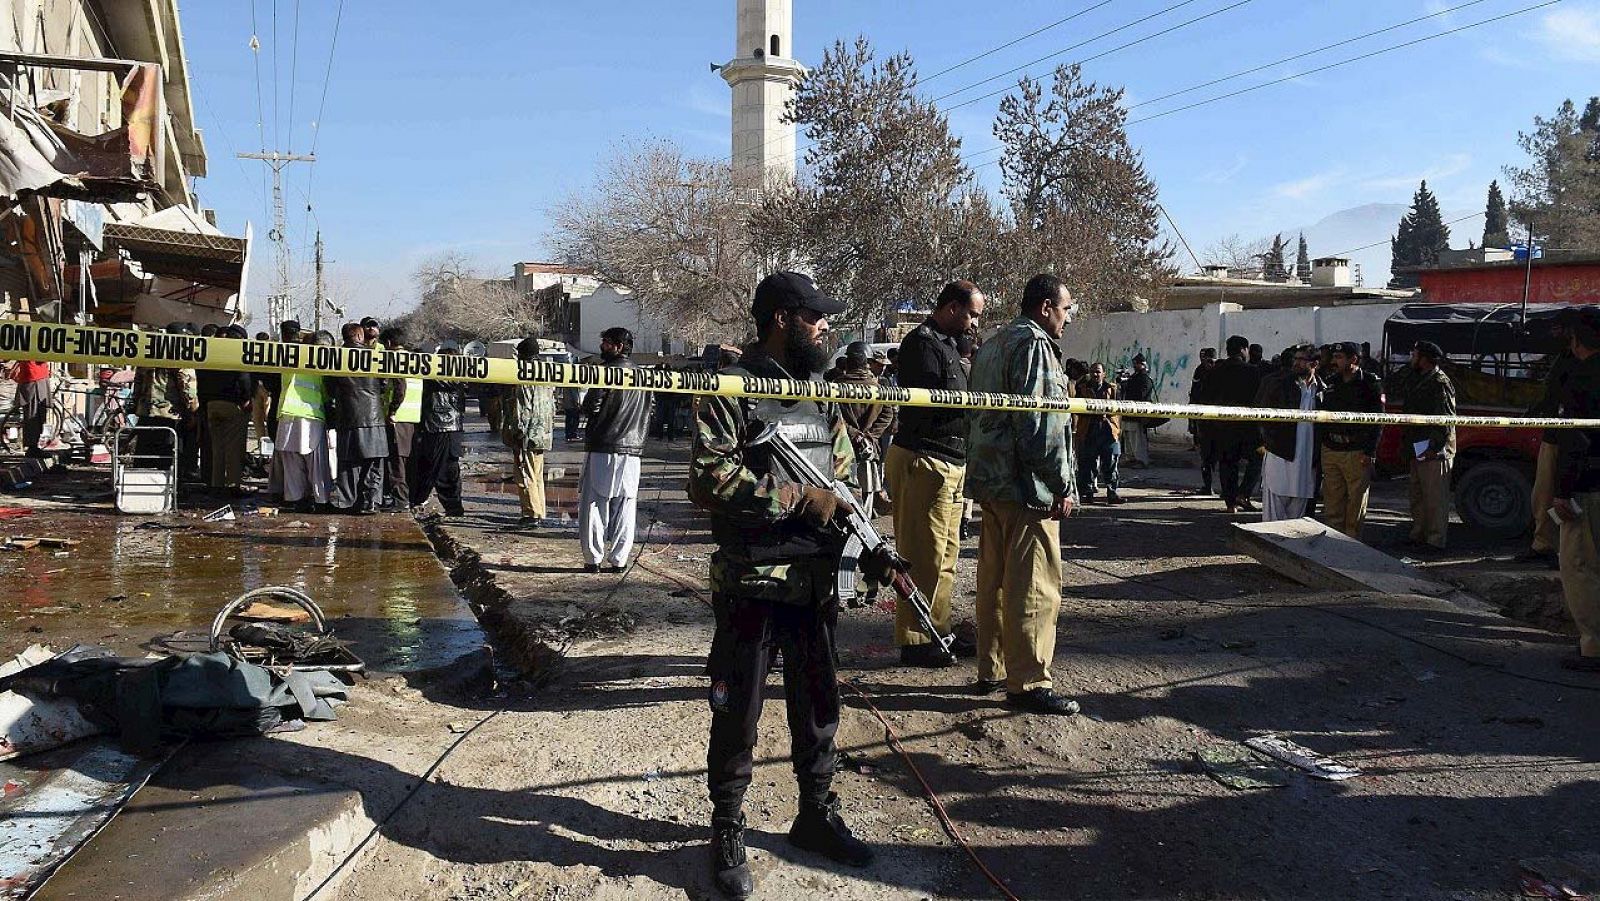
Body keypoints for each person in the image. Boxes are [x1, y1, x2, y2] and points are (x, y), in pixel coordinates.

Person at [687, 270, 871, 899]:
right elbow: (710, 479)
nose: (825, 326)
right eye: (814, 316)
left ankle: (815, 815)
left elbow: (840, 462)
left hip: (814, 580)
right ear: (780, 319)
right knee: (737, 713)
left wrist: (852, 520)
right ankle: (728, 825)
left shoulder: (815, 391)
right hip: (753, 581)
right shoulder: (729, 388)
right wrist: (796, 498)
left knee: (819, 707)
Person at [965, 273, 1080, 716]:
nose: (1067, 319)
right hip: (1026, 486)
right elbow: (1040, 423)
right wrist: (1059, 483)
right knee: (1034, 586)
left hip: (993, 482)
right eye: (1066, 309)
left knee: (993, 582)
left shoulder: (993, 344)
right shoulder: (1033, 345)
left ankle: (991, 669)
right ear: (1046, 306)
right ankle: (1029, 682)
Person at [886, 280, 985, 667]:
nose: (975, 323)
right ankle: (915, 641)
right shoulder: (922, 344)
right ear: (951, 308)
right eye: (972, 314)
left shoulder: (949, 347)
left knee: (945, 556)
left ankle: (937, 630)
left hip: (950, 462)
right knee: (921, 556)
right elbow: (929, 407)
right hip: (924, 460)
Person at [1549, 307, 1600, 672]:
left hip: (1589, 486)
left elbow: (1577, 440)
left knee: (1580, 565)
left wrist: (1563, 491)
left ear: (1576, 339)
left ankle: (1594, 646)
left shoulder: (1583, 376)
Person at [579, 327, 652, 573]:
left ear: (619, 346)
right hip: (633, 450)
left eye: (607, 343)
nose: (602, 347)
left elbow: (591, 406)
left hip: (604, 445)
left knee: (594, 505)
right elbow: (649, 411)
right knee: (626, 506)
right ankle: (620, 560)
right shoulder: (643, 376)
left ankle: (593, 560)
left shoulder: (606, 372)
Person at [1523, 309, 1579, 565]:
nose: (1554, 333)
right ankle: (1544, 543)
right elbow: (1550, 395)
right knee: (1544, 495)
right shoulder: (1563, 357)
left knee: (1568, 498)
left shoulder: (1582, 362)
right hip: (1555, 436)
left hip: (1574, 439)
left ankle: (1558, 548)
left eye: (1558, 328)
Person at [1318, 341, 1384, 538]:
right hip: (1331, 448)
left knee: (1355, 501)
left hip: (1356, 449)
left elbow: (1377, 420)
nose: (1334, 361)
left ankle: (1352, 543)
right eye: (1334, 357)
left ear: (1353, 359)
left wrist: (1370, 451)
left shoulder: (1370, 383)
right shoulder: (1331, 382)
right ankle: (1333, 540)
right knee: (1332, 500)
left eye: (1339, 358)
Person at [1397, 340, 1456, 549]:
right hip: (1417, 443)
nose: (1411, 358)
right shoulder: (1416, 377)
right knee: (1418, 494)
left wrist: (1434, 447)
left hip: (1434, 447)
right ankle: (1418, 534)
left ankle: (1435, 540)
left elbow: (1446, 420)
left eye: (1415, 355)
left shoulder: (1440, 382)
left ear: (1425, 359)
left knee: (1434, 497)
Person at [325, 322, 388, 514]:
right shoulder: (375, 357)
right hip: (373, 418)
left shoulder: (335, 357)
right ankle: (370, 501)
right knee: (374, 463)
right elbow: (385, 383)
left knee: (348, 464)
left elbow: (329, 387)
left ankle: (346, 501)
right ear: (360, 336)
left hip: (348, 418)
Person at [1255, 344, 1322, 522]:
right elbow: (1262, 414)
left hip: (1307, 459)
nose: (1296, 363)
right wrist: (1266, 441)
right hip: (1280, 454)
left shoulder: (1322, 389)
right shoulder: (1279, 384)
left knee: (1297, 515)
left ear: (1314, 363)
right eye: (1296, 359)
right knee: (1273, 514)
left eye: (1302, 360)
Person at [829, 341, 894, 520]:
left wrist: (853, 434)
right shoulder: (878, 388)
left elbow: (833, 416)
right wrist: (870, 436)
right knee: (867, 498)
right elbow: (888, 414)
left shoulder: (836, 386)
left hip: (842, 451)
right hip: (869, 449)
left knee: (843, 496)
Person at [1200, 335, 1263, 513]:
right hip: (1247, 428)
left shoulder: (1215, 371)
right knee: (1257, 459)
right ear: (1243, 350)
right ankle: (1243, 494)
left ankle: (1230, 503)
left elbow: (1205, 398)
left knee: (1227, 464)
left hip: (1221, 428)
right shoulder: (1252, 371)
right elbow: (1258, 399)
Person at [501, 335, 556, 526]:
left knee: (525, 475)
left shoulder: (523, 374)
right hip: (543, 433)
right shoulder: (547, 372)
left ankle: (531, 514)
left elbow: (522, 408)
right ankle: (540, 512)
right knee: (537, 475)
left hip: (528, 433)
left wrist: (517, 433)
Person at [275, 332, 333, 513]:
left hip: (286, 415)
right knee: (316, 463)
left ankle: (295, 499)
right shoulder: (320, 363)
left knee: (291, 462)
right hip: (311, 415)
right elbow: (325, 391)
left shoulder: (288, 358)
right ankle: (321, 500)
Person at [411, 342, 469, 518]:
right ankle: (451, 507)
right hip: (449, 428)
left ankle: (445, 506)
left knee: (439, 470)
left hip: (439, 427)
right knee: (443, 469)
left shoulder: (438, 376)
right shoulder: (459, 376)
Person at [197, 325, 254, 495]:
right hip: (232, 405)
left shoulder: (211, 352)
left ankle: (216, 484)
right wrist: (245, 399)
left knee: (217, 447)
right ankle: (232, 485)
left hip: (211, 405)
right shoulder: (237, 354)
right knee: (233, 449)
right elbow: (244, 379)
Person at [132, 324, 199, 469]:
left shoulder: (147, 354)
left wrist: (135, 404)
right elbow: (187, 388)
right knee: (167, 457)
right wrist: (192, 411)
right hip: (169, 414)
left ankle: (141, 486)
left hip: (146, 412)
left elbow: (137, 383)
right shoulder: (180, 355)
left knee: (144, 456)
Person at [378, 328, 419, 512]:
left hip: (398, 420)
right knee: (403, 461)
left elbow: (400, 388)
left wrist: (392, 412)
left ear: (387, 344)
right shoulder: (413, 359)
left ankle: (400, 501)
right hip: (409, 419)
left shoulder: (395, 360)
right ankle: (402, 499)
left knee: (396, 463)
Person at [1075, 363, 1123, 505]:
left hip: (1108, 430)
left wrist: (1106, 413)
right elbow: (1077, 407)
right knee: (1087, 463)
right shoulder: (1082, 388)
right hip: (1089, 430)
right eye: (1093, 372)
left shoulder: (1112, 388)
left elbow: (1120, 407)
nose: (1095, 375)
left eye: (1098, 372)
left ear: (1104, 374)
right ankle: (1087, 493)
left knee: (1111, 462)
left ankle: (1112, 492)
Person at [8, 355, 51, 457]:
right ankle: (32, 447)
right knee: (33, 415)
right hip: (34, 377)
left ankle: (33, 446)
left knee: (37, 415)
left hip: (35, 375)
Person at [1190, 347, 1219, 494]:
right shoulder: (1200, 371)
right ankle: (1207, 486)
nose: (1209, 364)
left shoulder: (1220, 371)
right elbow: (1194, 394)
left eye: (1211, 361)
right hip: (1204, 420)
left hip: (1219, 420)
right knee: (1206, 456)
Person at [1118, 355, 1155, 467]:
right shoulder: (1135, 377)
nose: (1134, 366)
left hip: (1138, 414)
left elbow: (1142, 396)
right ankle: (1130, 458)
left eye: (1136, 363)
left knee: (1138, 439)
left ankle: (1141, 460)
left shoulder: (1144, 379)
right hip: (1128, 412)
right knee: (1128, 438)